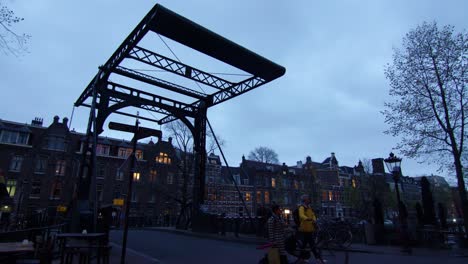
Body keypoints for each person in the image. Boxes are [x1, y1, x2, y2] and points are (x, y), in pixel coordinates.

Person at [297, 194, 325, 264]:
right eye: (308, 199)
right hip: (305, 228)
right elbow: (301, 215)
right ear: (305, 200)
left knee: (305, 245)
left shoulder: (309, 207)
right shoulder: (302, 207)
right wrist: (307, 218)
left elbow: (313, 215)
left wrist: (314, 219)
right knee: (312, 244)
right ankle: (318, 259)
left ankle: (301, 258)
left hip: (310, 228)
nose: (309, 200)